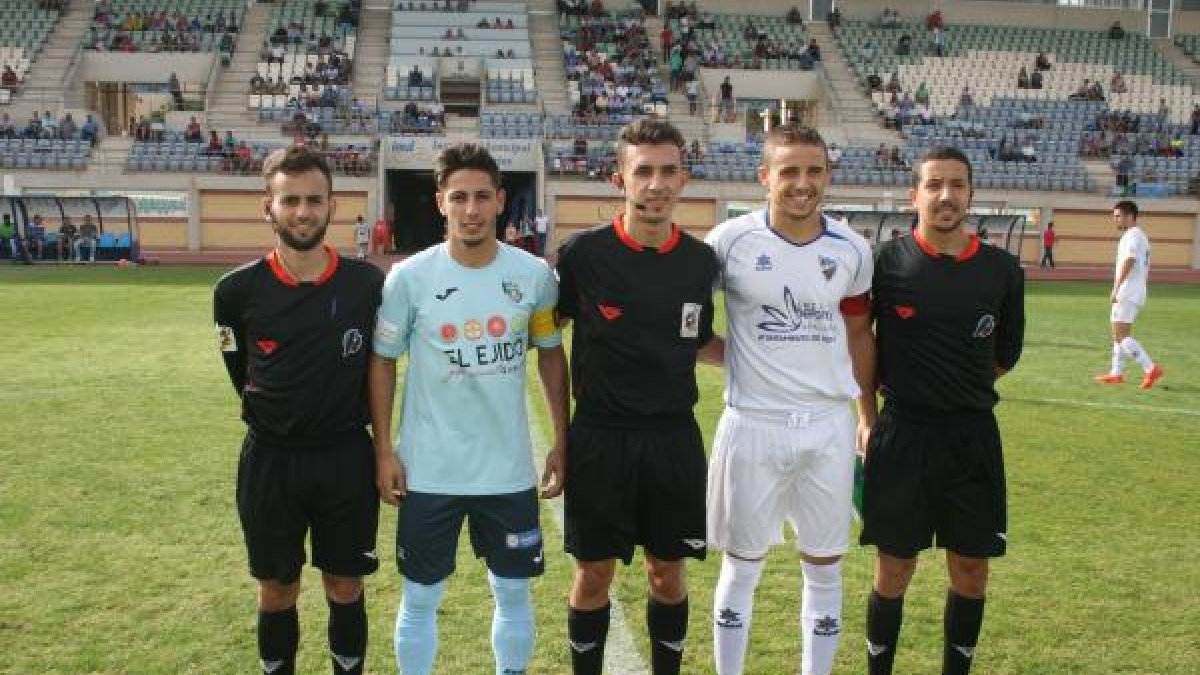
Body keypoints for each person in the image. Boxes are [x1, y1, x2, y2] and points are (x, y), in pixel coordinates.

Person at [369, 143, 569, 675]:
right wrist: (383, 449)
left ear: (502, 200)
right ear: (440, 203)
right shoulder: (409, 279)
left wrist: (561, 440)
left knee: (514, 594)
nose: (472, 209)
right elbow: (382, 361)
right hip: (428, 470)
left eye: (483, 196)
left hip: (506, 472)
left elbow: (551, 355)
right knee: (420, 599)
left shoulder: (533, 277)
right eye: (459, 197)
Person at [703, 124, 874, 675]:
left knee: (825, 567)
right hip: (753, 423)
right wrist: (741, 359)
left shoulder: (852, 249)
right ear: (764, 178)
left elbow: (857, 334)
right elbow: (690, 327)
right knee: (742, 564)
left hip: (828, 426)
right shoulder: (728, 242)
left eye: (814, 171)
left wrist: (865, 416)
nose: (803, 183)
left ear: (828, 174)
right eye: (790, 172)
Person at [212, 147, 385, 675]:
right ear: (269, 206)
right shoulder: (235, 292)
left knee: (344, 584)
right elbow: (238, 369)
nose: (303, 212)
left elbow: (381, 369)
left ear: (333, 205)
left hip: (345, 458)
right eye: (291, 201)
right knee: (277, 587)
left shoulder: (367, 285)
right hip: (271, 461)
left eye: (314, 200)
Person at [556, 119, 717, 675]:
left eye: (668, 170)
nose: (656, 183)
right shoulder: (581, 256)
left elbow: (699, 338)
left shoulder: (700, 263)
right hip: (600, 437)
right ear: (618, 178)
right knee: (593, 574)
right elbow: (547, 341)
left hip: (673, 439)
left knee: (668, 574)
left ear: (684, 178)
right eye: (642, 171)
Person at [861, 146, 1025, 675]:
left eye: (956, 185)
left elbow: (1005, 355)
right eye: (934, 185)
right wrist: (868, 415)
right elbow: (861, 346)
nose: (946, 195)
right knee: (894, 567)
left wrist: (955, 388)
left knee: (972, 568)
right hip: (902, 433)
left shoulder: (1002, 270)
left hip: (972, 435)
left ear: (971, 195)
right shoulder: (886, 265)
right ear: (915, 196)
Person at [1093, 200, 1164, 389]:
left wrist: (1116, 287)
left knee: (1121, 335)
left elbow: (1130, 260)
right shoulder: (1138, 235)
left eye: (1117, 216)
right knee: (1119, 336)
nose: (1115, 219)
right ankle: (1116, 373)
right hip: (1134, 291)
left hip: (1128, 291)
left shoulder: (1133, 235)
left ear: (1129, 216)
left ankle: (1150, 368)